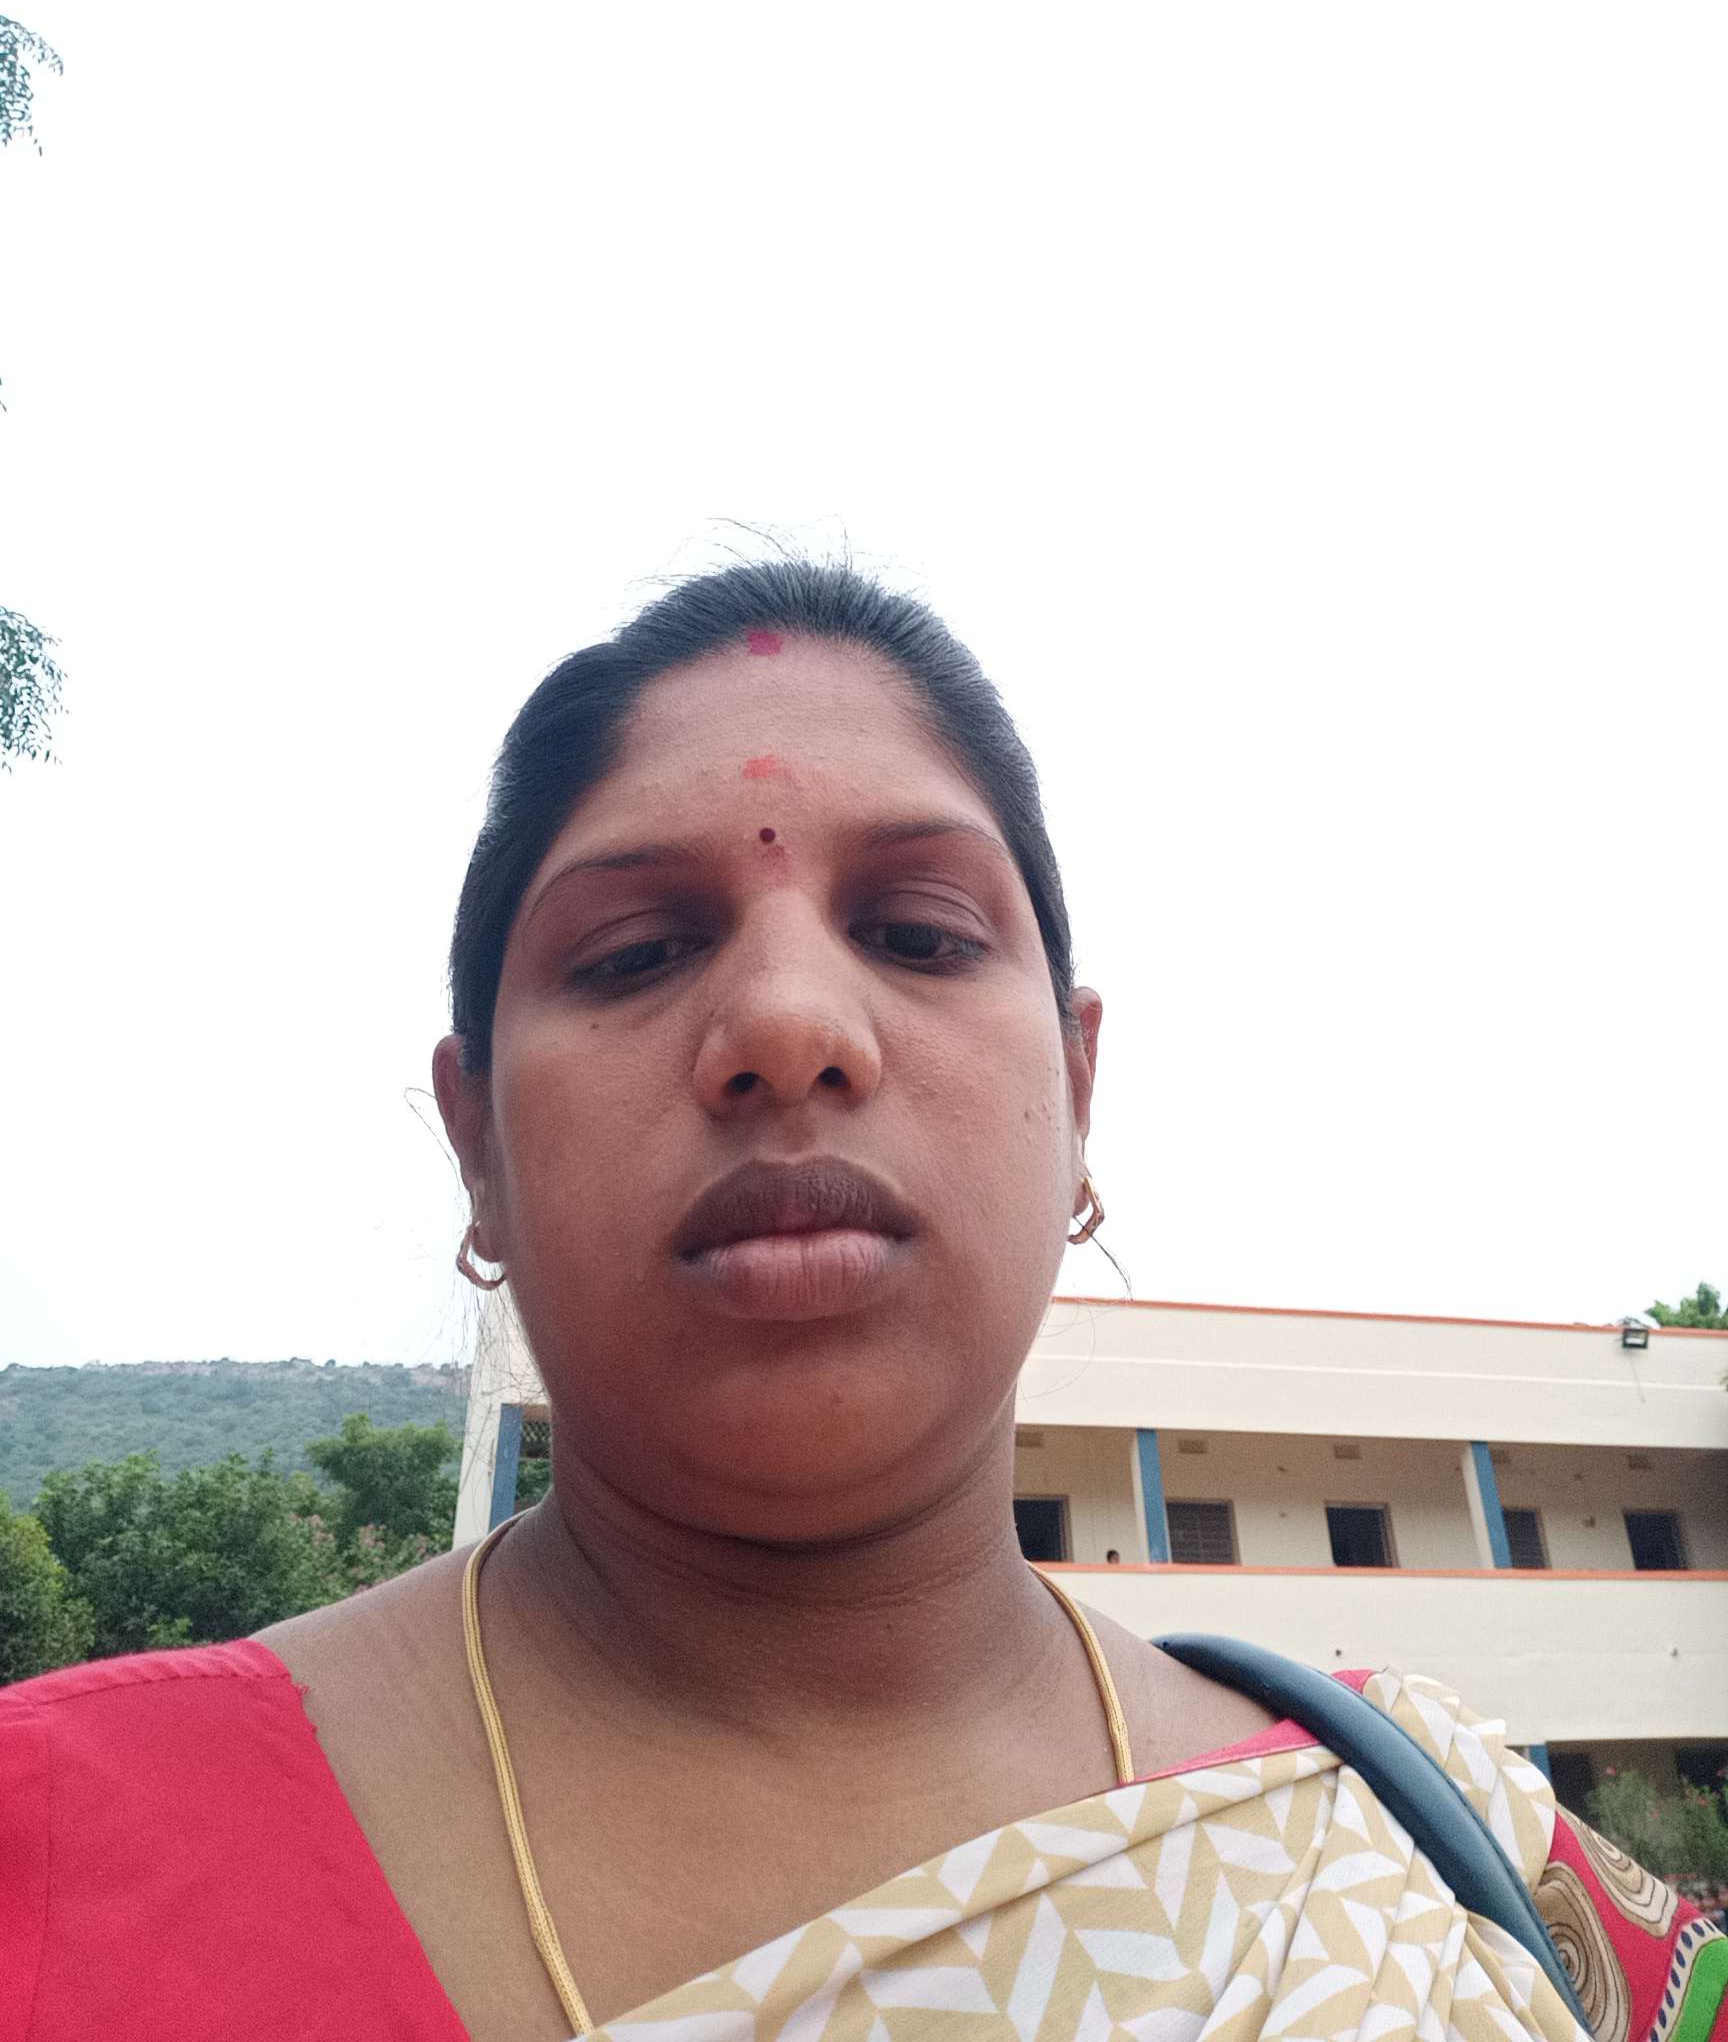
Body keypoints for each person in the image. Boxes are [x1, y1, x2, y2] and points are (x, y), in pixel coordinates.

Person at [2, 559, 1721, 2042]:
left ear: (1079, 1095)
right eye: (632, 953)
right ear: (479, 1147)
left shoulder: (1437, 1869)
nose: (785, 1025)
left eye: (917, 931)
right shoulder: (58, 1849)